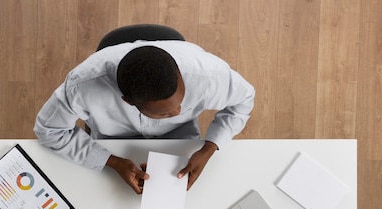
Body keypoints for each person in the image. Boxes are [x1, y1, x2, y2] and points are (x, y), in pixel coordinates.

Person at [34, 40, 255, 194]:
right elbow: (48, 130)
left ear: (179, 73)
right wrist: (112, 162)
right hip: (112, 145)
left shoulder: (209, 76)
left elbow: (244, 100)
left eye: (180, 102)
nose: (178, 112)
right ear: (129, 102)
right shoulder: (83, 86)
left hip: (181, 141)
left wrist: (208, 149)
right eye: (166, 113)